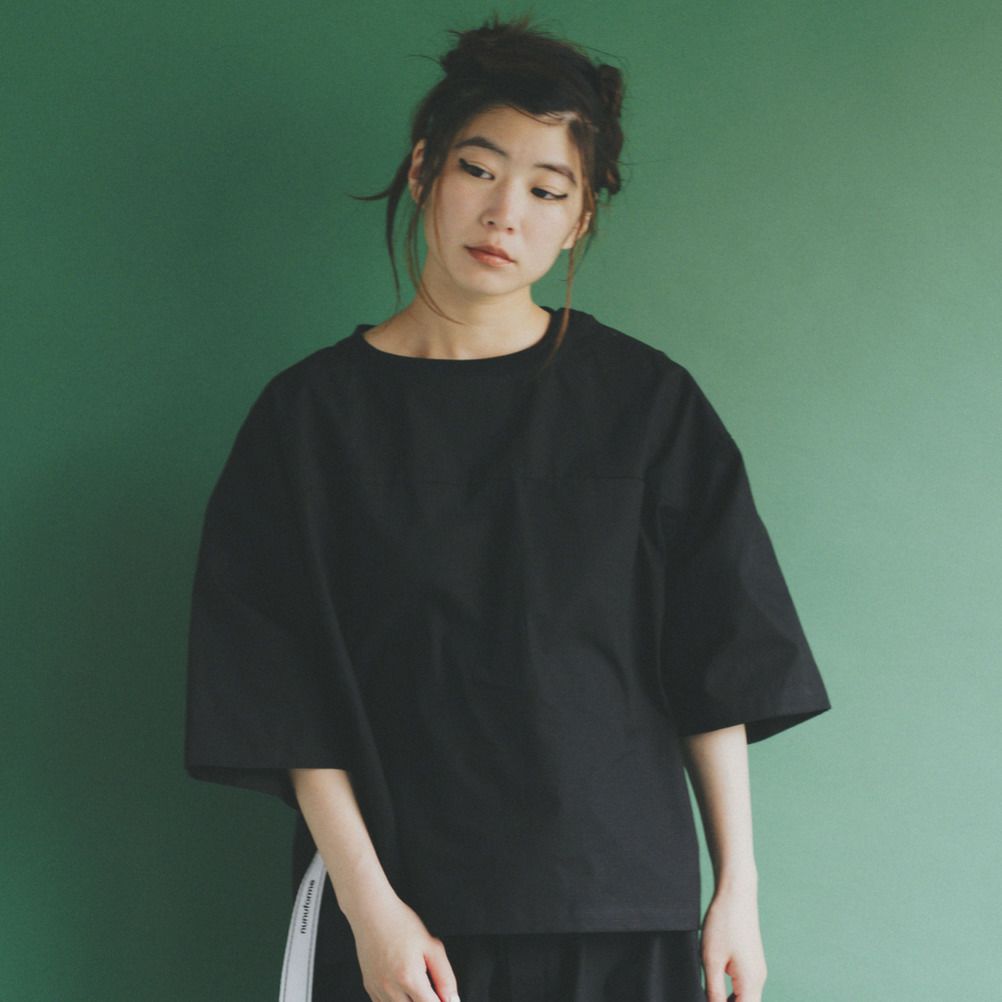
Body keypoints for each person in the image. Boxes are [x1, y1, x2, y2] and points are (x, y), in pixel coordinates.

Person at [184, 13, 831, 1002]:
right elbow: (281, 694)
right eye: (479, 170)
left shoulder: (647, 405)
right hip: (405, 923)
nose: (503, 214)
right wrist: (370, 909)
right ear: (423, 171)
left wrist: (737, 890)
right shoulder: (310, 419)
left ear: (580, 220)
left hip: (621, 910)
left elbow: (719, 662)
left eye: (546, 190)